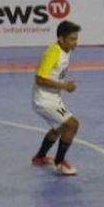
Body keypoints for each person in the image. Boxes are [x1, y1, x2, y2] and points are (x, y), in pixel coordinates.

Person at [31, 20, 81, 176]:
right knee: (72, 125)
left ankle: (39, 157)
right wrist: (65, 86)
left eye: (76, 38)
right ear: (61, 38)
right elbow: (39, 79)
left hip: (53, 97)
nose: (75, 43)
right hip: (44, 99)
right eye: (72, 39)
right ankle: (60, 163)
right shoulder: (53, 53)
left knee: (59, 128)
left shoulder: (65, 49)